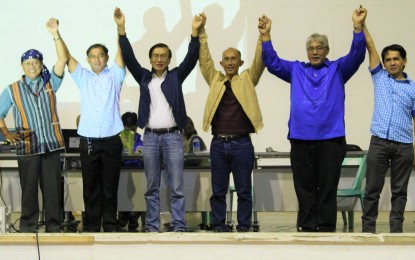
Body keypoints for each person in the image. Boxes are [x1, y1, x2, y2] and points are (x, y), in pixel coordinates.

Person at [259, 7, 366, 232]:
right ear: (306, 51)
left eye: (319, 48)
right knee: (304, 186)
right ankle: (307, 226)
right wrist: (266, 36)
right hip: (300, 137)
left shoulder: (338, 69)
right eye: (311, 48)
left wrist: (358, 27)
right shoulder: (296, 69)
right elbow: (273, 63)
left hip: (332, 139)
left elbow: (357, 54)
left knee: (328, 186)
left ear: (327, 50)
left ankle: (326, 226)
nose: (315, 52)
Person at [114, 7, 203, 232]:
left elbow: (192, 58)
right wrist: (121, 29)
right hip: (151, 138)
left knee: (177, 187)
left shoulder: (176, 76)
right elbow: (130, 58)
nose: (159, 59)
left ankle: (179, 226)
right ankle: (152, 227)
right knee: (151, 187)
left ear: (169, 59)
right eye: (156, 56)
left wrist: (194, 33)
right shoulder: (144, 77)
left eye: (164, 56)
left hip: (173, 137)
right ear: (151, 59)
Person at [0, 18, 68, 232]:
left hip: (51, 144)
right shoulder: (12, 89)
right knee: (29, 190)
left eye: (36, 63)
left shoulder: (51, 82)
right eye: (28, 63)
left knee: (52, 189)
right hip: (28, 146)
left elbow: (63, 58)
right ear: (22, 66)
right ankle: (28, 228)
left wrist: (55, 34)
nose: (32, 66)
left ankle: (54, 228)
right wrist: (7, 134)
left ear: (41, 64)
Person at [198, 13, 265, 232]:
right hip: (218, 144)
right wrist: (201, 32)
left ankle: (244, 226)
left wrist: (262, 35)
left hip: (242, 144)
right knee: (218, 191)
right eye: (225, 59)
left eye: (233, 59)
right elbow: (204, 59)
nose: (229, 62)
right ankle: (219, 226)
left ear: (240, 62)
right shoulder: (215, 79)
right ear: (221, 63)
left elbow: (260, 61)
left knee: (244, 190)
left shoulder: (247, 78)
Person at [65, 9, 126, 232]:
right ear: (88, 60)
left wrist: (120, 28)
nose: (97, 59)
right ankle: (91, 226)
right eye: (93, 56)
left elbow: (123, 53)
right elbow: (68, 58)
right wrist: (56, 34)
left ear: (106, 58)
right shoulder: (83, 77)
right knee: (90, 187)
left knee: (110, 186)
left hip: (111, 139)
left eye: (101, 55)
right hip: (89, 140)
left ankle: (110, 226)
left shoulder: (115, 75)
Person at [361, 10, 415, 233]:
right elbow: (371, 48)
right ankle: (368, 230)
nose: (392, 63)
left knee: (400, 191)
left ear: (404, 61)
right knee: (372, 188)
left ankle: (396, 231)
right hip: (379, 142)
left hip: (403, 145)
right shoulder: (379, 77)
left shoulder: (412, 87)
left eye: (396, 59)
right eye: (388, 60)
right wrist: (362, 25)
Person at [118, 111, 144, 232]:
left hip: (137, 179)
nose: (128, 133)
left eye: (131, 130)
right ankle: (123, 214)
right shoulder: (117, 142)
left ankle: (134, 215)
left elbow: (143, 159)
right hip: (121, 178)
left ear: (136, 128)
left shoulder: (141, 144)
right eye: (125, 129)